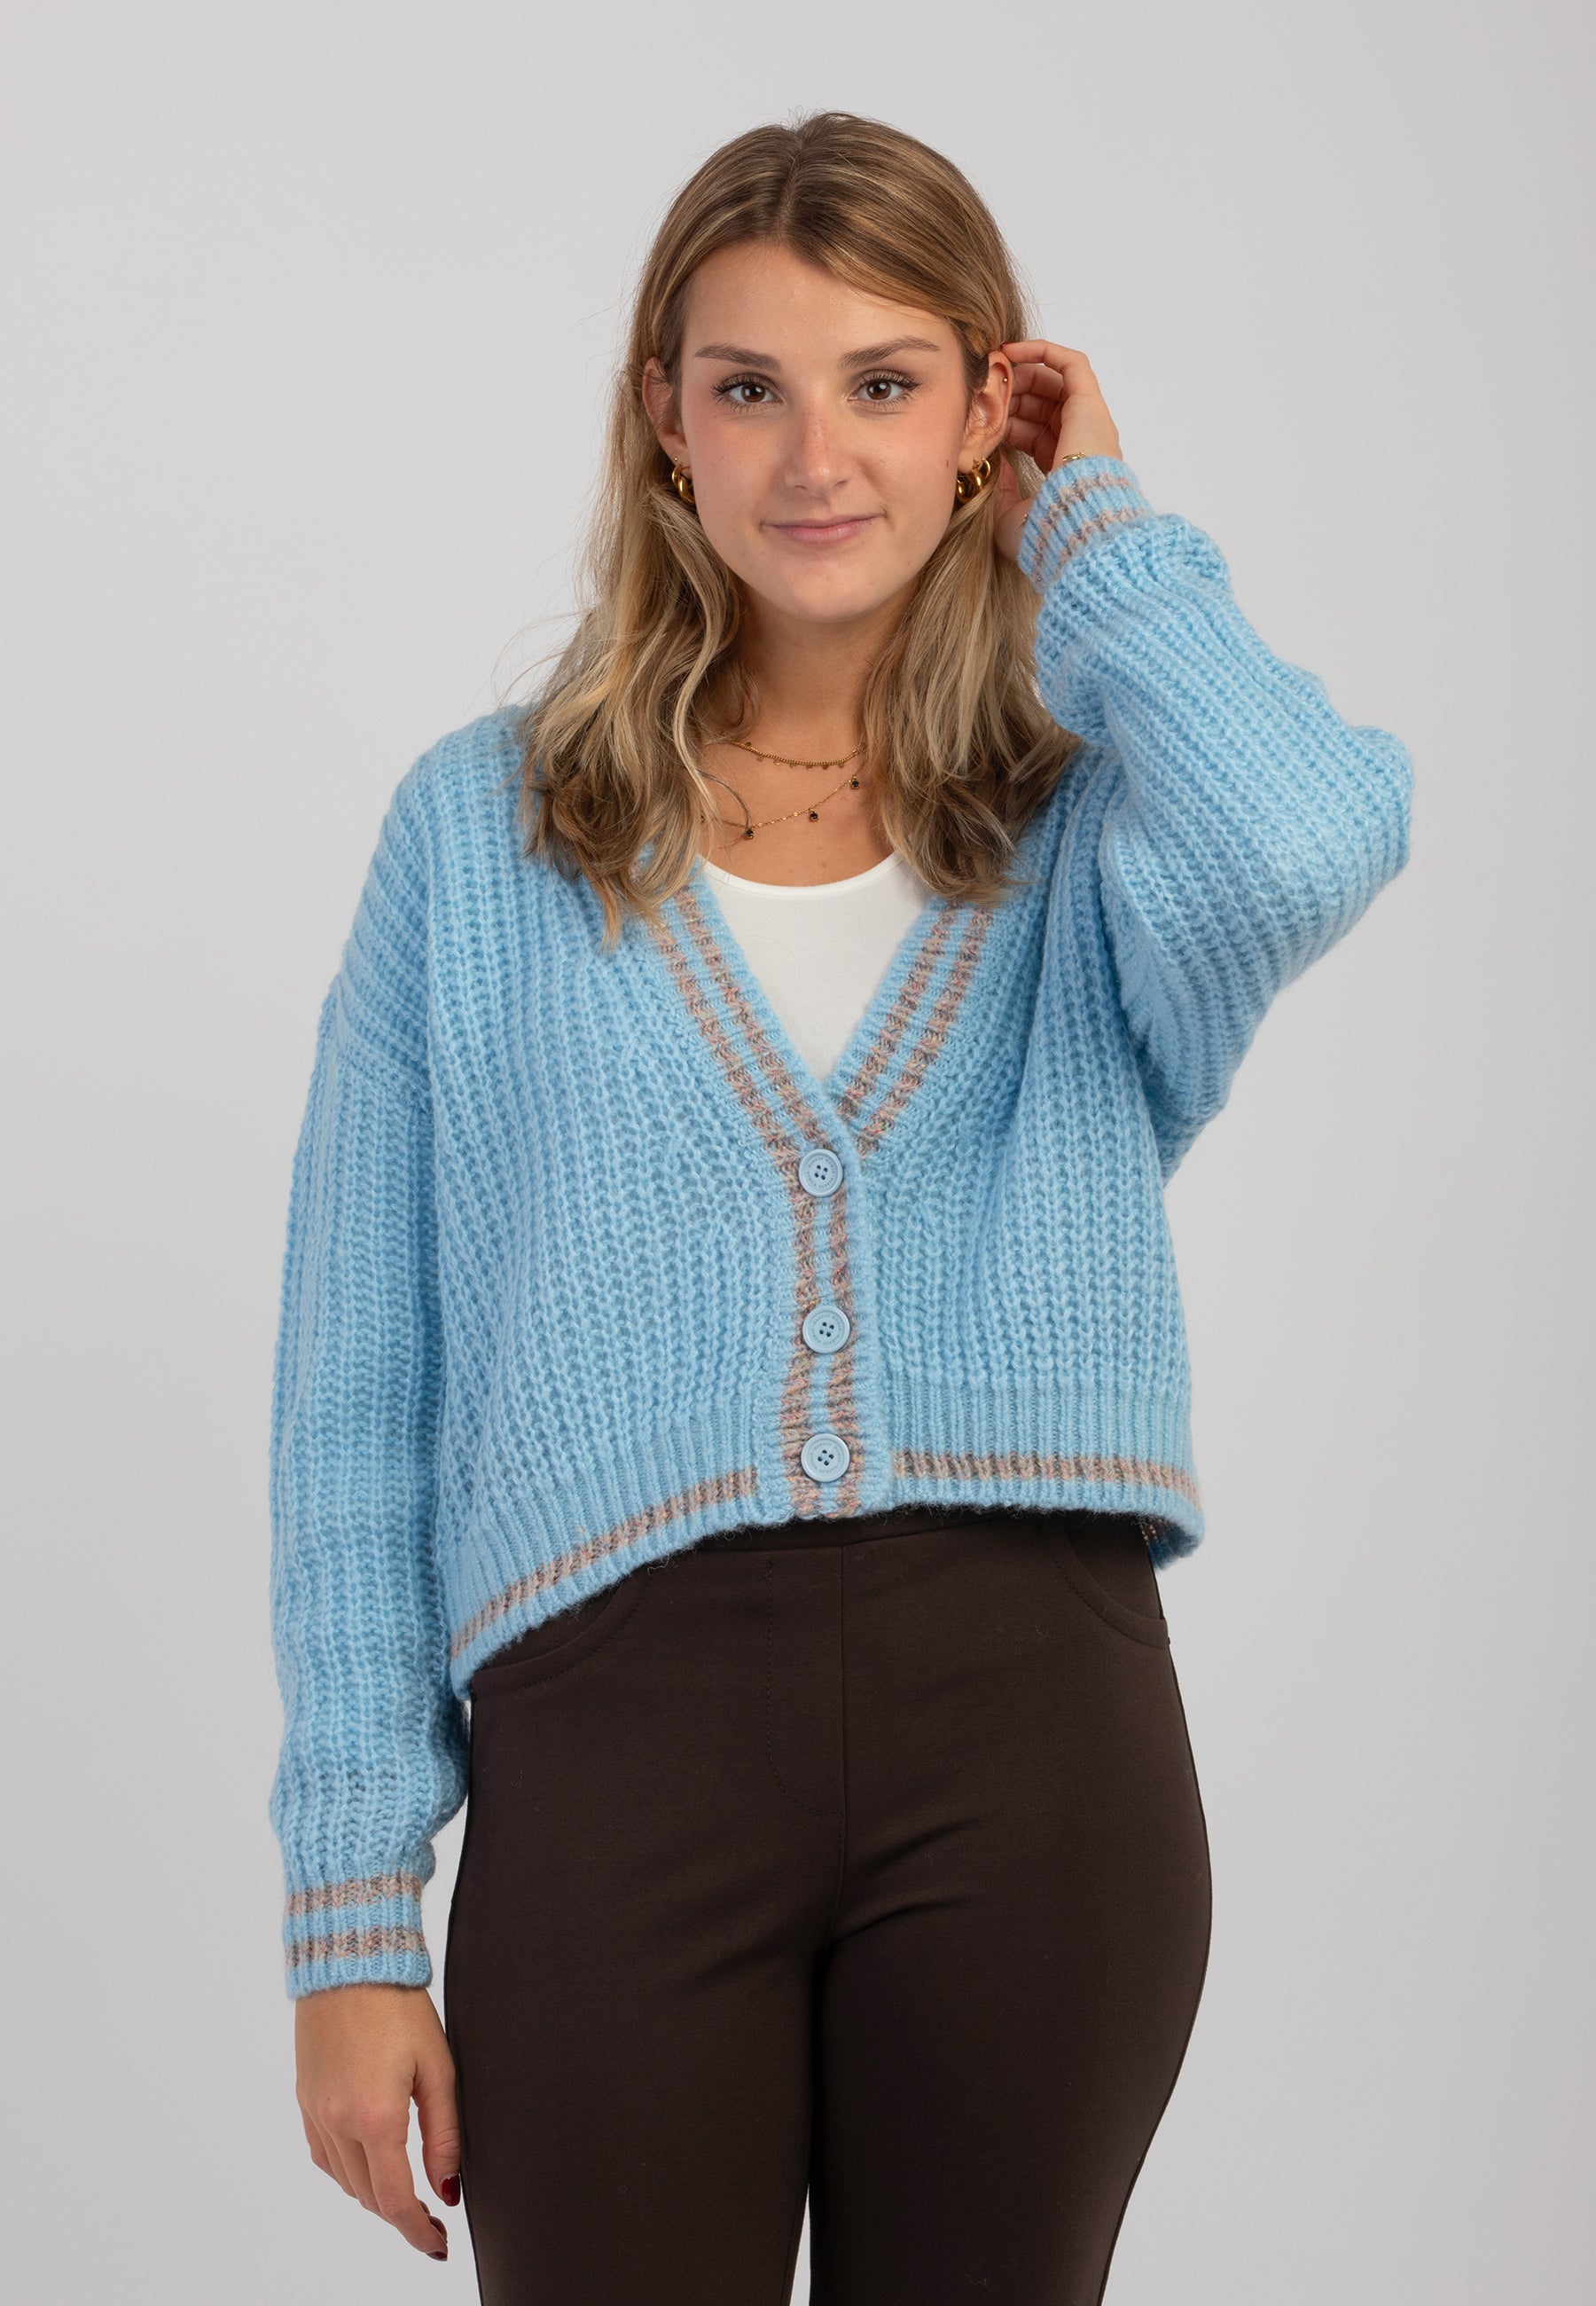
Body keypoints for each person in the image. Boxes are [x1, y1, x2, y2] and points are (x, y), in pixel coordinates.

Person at [269, 109, 1412, 2303]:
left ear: (986, 412)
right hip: (610, 1738)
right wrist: (348, 1915)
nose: (815, 455)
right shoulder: (480, 839)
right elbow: (359, 1398)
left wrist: (1104, 532)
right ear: (664, 418)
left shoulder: (1097, 828)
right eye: (751, 387)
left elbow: (1312, 836)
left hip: (1032, 1729)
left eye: (885, 383)